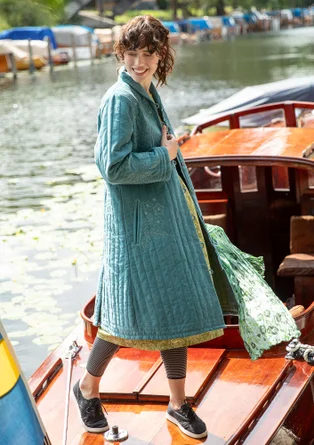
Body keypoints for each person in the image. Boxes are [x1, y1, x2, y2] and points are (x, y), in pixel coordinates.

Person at [73, 15, 300, 440]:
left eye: (148, 54)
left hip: (166, 222)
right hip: (139, 231)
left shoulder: (147, 90)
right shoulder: (120, 99)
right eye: (132, 54)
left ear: (162, 56)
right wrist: (167, 154)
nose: (140, 62)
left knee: (174, 307)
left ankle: (177, 404)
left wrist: (171, 150)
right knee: (124, 316)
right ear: (121, 54)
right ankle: (87, 388)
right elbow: (113, 167)